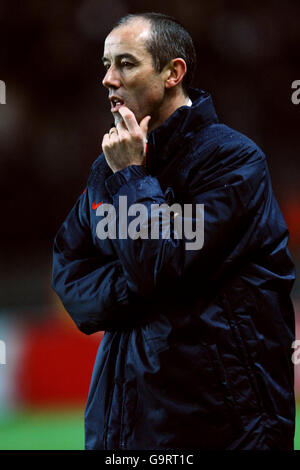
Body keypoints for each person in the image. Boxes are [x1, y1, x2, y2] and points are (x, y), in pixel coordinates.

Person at [51, 12, 296, 450]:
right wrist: (150, 284)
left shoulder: (233, 161)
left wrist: (130, 176)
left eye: (125, 64)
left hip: (224, 428)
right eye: (105, 65)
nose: (109, 79)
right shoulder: (105, 169)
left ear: (172, 73)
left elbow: (160, 264)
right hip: (123, 424)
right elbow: (69, 277)